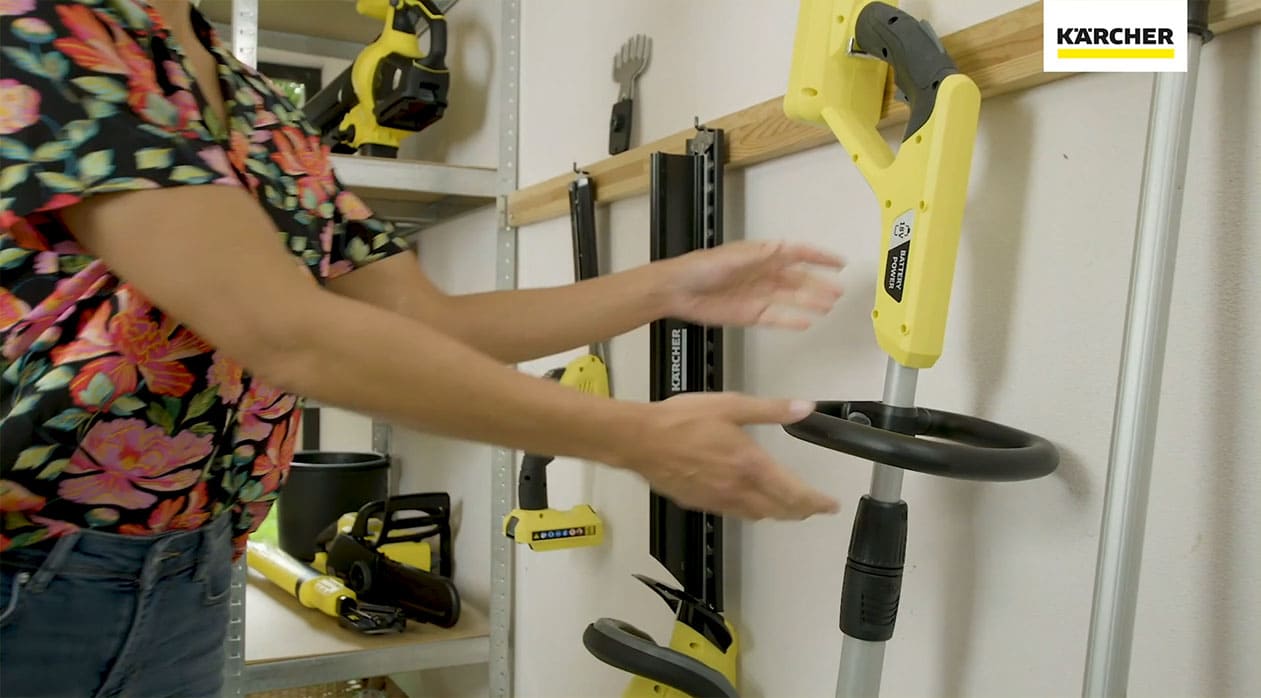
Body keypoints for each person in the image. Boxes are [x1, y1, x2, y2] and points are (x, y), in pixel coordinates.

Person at [0, 0, 846, 695]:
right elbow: (287, 332)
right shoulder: (50, 26)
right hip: (30, 574)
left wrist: (667, 287)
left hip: (190, 573)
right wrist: (636, 437)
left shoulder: (257, 106)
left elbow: (424, 321)